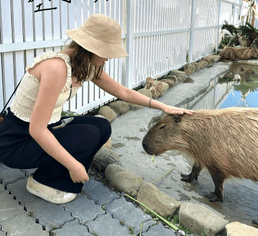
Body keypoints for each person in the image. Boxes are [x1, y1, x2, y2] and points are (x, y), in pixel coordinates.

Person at [0, 14, 194, 205]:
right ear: (91, 48)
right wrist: (73, 164)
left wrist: (164, 106)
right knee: (89, 134)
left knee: (101, 126)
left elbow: (124, 92)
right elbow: (37, 129)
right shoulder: (56, 68)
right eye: (106, 51)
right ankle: (43, 181)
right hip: (17, 142)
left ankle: (58, 174)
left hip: (44, 129)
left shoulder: (86, 66)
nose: (109, 57)